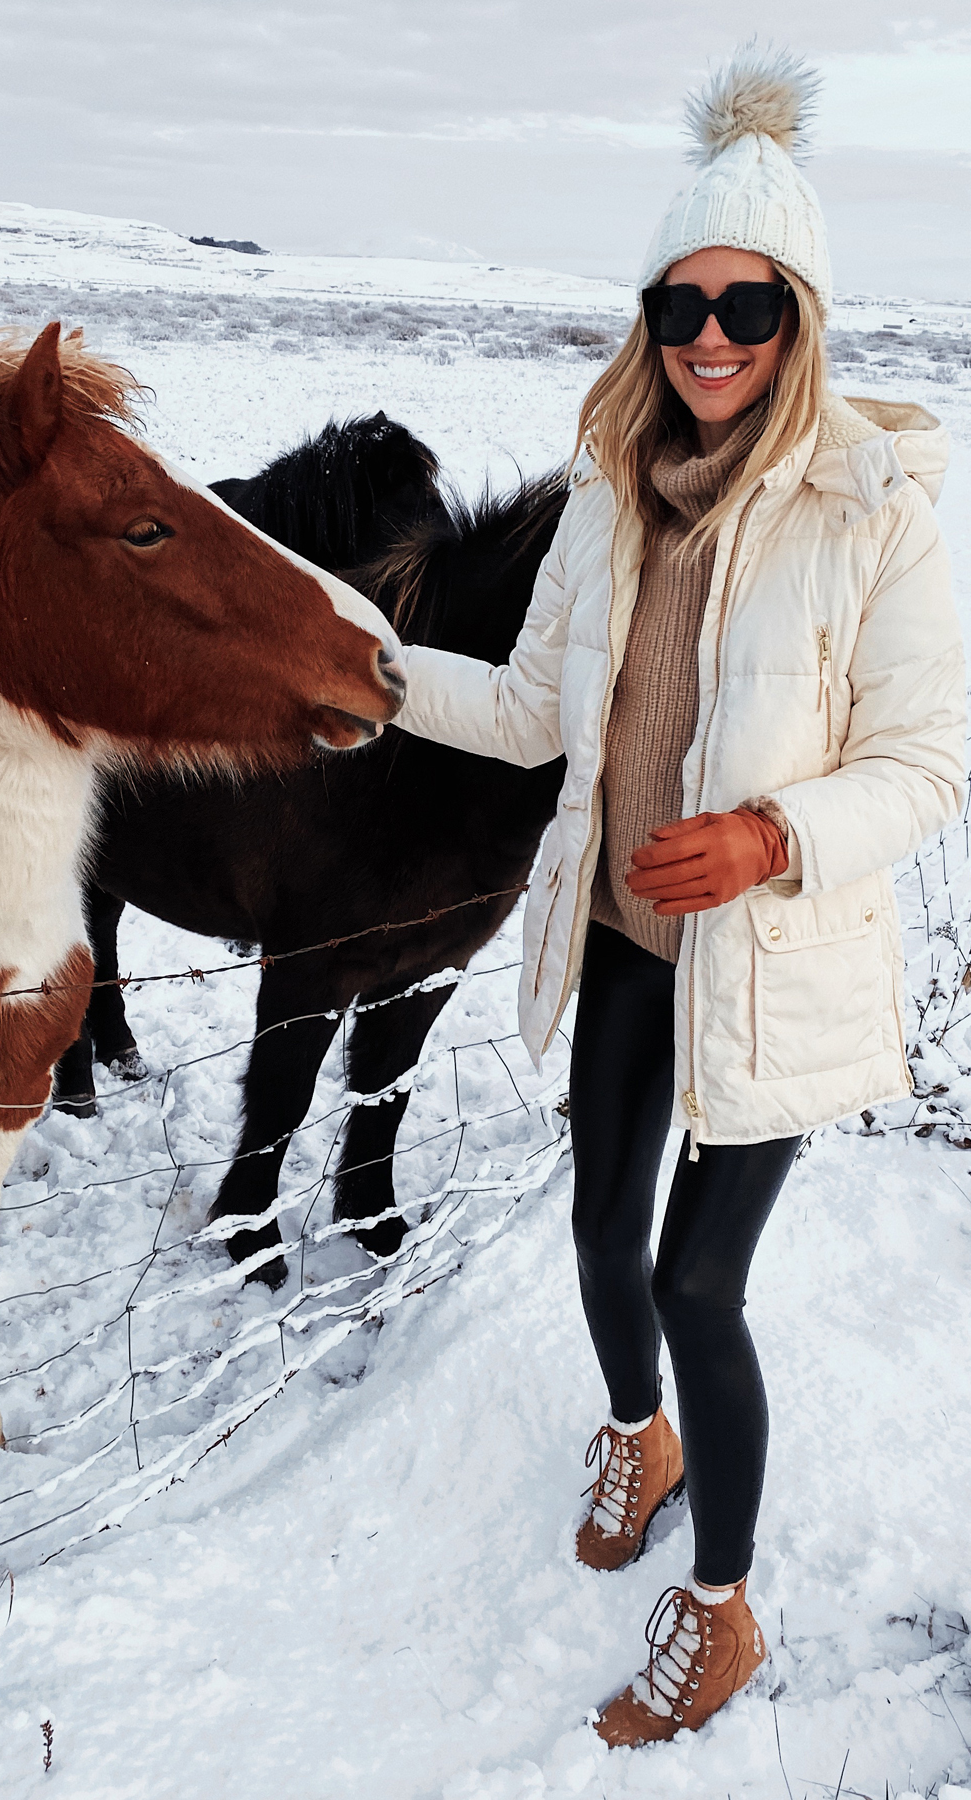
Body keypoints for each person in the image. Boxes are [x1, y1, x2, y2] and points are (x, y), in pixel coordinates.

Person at [393, 46, 965, 1747]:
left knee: (699, 1281)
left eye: (746, 305)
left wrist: (771, 836)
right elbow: (521, 713)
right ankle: (638, 1428)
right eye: (677, 304)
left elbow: (932, 766)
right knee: (596, 1232)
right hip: (632, 943)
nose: (708, 337)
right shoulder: (606, 502)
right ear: (647, 320)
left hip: (768, 960)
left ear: (800, 318)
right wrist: (360, 663)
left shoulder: (878, 509)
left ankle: (719, 1613)